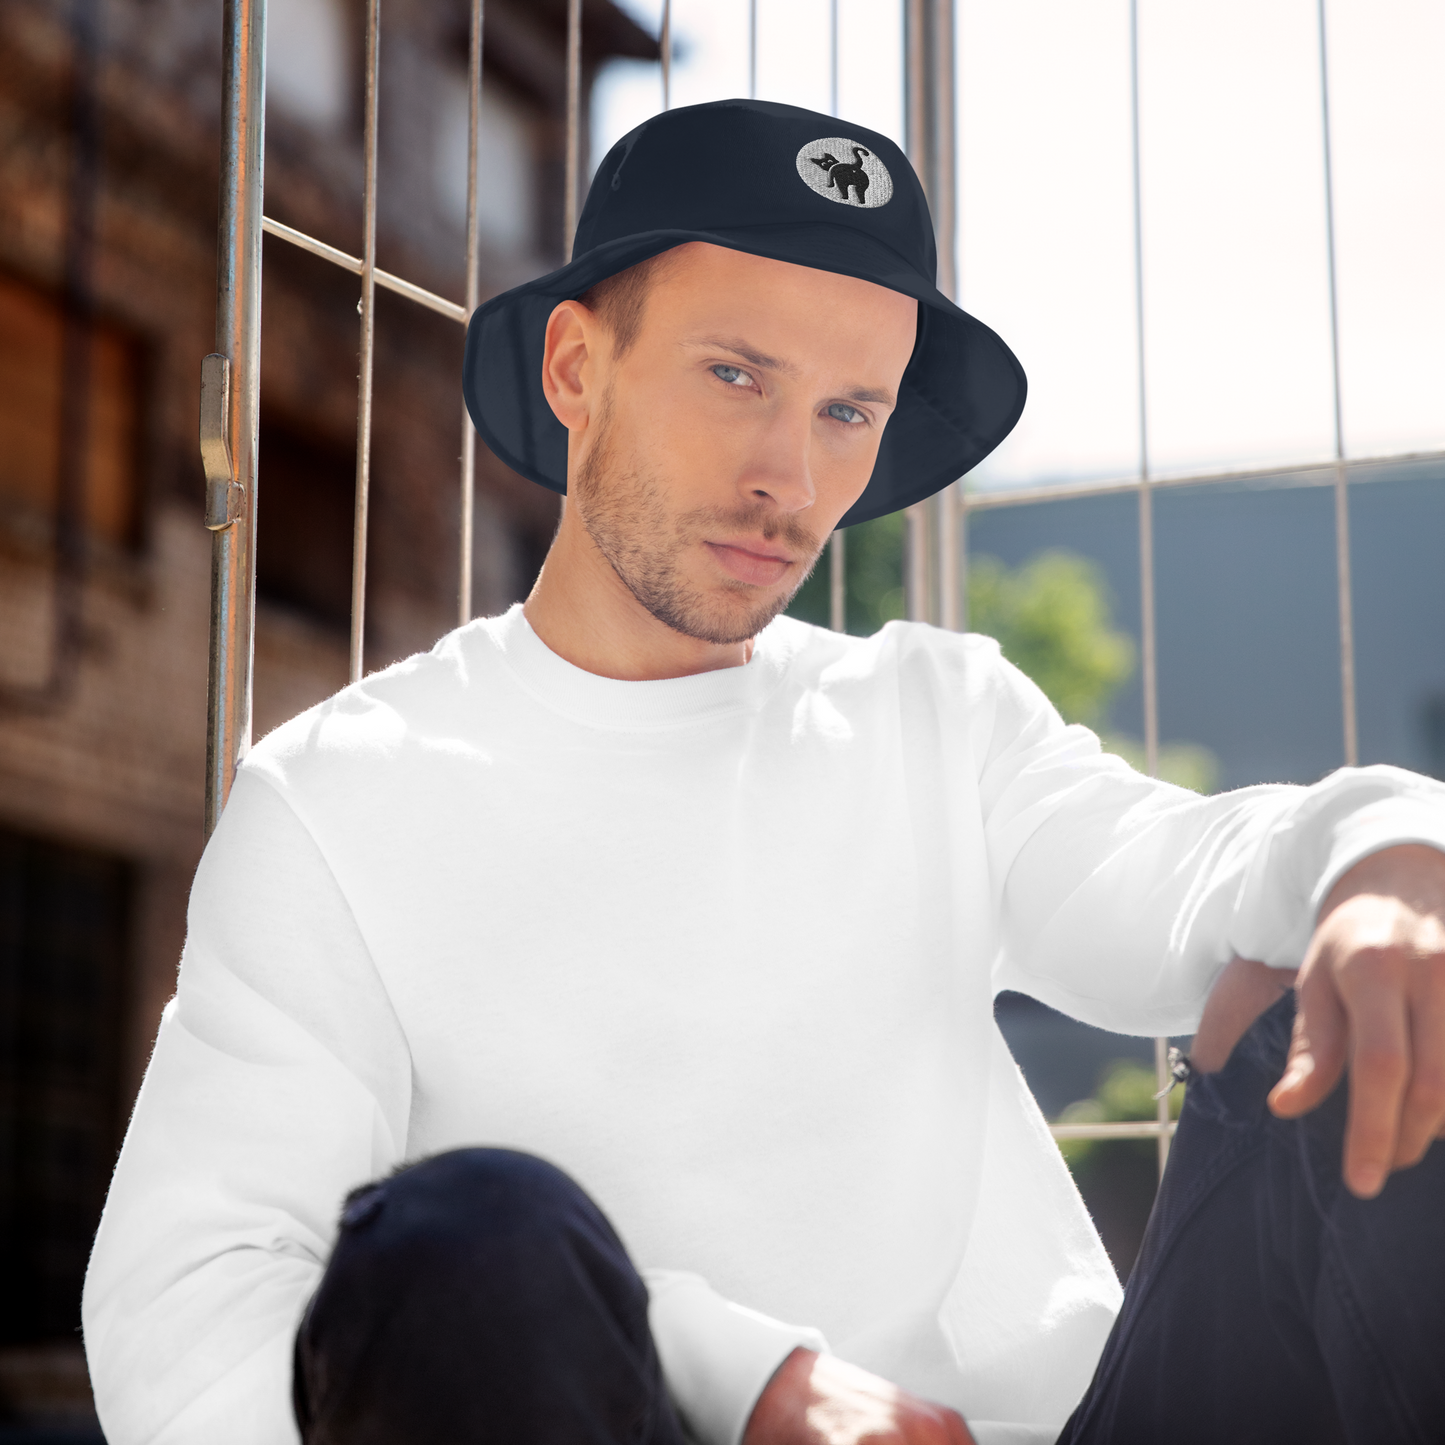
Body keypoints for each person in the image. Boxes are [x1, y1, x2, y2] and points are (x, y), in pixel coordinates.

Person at [83, 100, 1445, 1445]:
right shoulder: (334, 803)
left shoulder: (934, 717)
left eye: (851, 410)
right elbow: (189, 1320)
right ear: (575, 367)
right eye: (736, 375)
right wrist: (721, 1368)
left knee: (1376, 993)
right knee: (462, 1238)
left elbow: (1188, 878)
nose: (791, 479)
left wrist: (1387, 853)